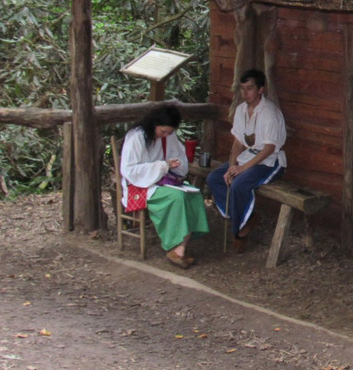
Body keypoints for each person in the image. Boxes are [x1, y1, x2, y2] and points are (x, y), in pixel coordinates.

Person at [206, 69, 287, 252]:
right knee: (214, 178)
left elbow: (269, 148)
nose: (245, 93)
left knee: (239, 184)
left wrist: (242, 169)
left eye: (249, 88)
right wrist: (233, 165)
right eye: (242, 89)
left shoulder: (269, 113)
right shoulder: (241, 110)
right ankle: (245, 218)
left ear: (260, 89)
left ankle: (238, 232)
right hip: (247, 158)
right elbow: (238, 142)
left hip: (270, 162)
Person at [120, 105, 209, 269]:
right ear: (154, 124)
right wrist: (162, 166)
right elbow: (129, 171)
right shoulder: (136, 137)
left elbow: (179, 157)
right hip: (139, 185)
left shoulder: (169, 135)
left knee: (194, 194)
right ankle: (174, 246)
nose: (166, 136)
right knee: (178, 197)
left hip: (163, 180)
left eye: (169, 132)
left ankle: (179, 248)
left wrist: (175, 165)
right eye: (163, 132)